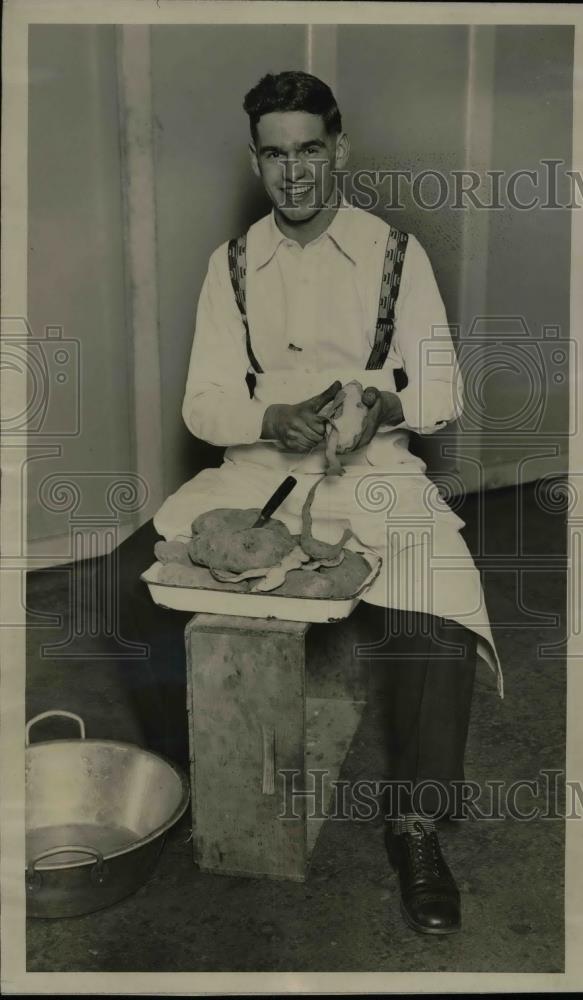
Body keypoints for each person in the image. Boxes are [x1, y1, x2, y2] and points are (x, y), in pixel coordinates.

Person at [119, 71, 502, 937]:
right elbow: (201, 404)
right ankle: (197, 774)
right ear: (256, 161)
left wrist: (383, 404)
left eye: (310, 149)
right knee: (121, 581)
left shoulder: (393, 253)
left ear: (339, 149)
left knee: (434, 611)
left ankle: (414, 820)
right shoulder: (233, 266)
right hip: (255, 470)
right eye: (275, 154)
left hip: (374, 472)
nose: (294, 173)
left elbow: (440, 388)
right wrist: (270, 417)